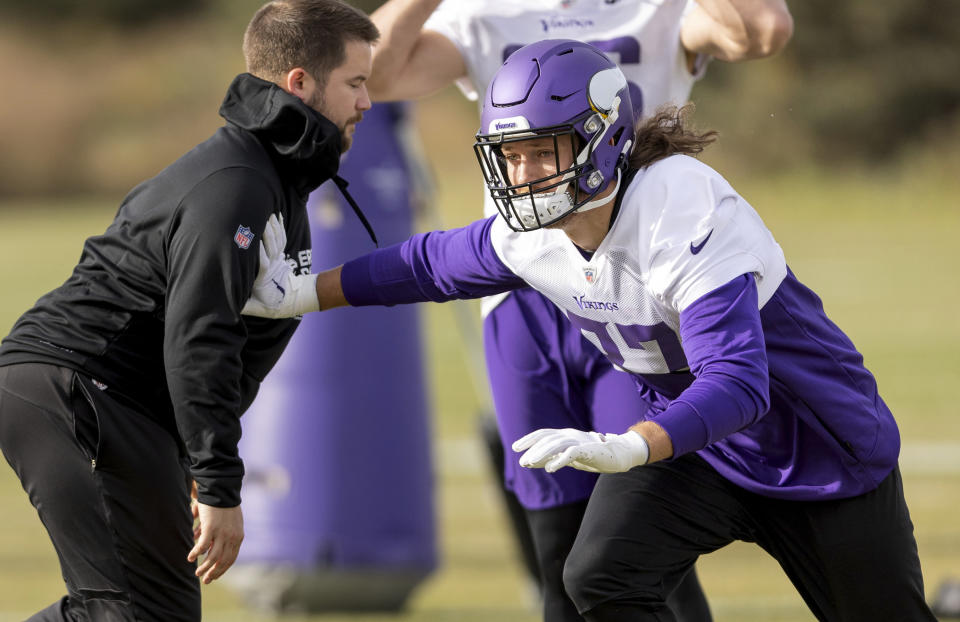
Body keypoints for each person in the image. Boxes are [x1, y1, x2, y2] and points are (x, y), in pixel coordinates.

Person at [243, 39, 937, 621]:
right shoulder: (536, 231)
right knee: (599, 575)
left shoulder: (679, 207)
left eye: (542, 151)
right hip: (704, 450)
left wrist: (635, 445)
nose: (523, 176)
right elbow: (429, 265)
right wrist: (303, 292)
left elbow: (739, 384)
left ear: (602, 140)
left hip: (814, 450)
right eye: (510, 156)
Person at [360, 0, 792, 620]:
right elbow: (374, 76)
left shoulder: (660, 8)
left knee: (636, 537)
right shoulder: (485, 11)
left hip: (634, 288)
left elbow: (766, 31)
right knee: (556, 545)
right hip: (523, 292)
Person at [0, 1, 378, 620]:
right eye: (356, 83)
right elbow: (200, 339)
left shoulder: (281, 182)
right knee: (115, 611)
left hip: (131, 407)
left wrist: (200, 460)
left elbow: (246, 347)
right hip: (69, 386)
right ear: (300, 84)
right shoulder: (234, 184)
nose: (367, 102)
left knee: (160, 615)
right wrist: (222, 482)